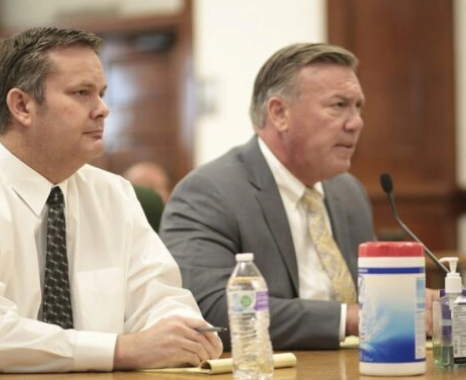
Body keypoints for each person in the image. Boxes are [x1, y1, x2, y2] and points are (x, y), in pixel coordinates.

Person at [0, 27, 221, 378]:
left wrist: (179, 334)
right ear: (22, 106)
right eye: (82, 93)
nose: (103, 109)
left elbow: (160, 297)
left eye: (101, 94)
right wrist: (122, 350)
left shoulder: (114, 196)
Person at [161, 43, 435, 350]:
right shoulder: (210, 192)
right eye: (338, 105)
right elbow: (210, 312)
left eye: (358, 106)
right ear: (279, 113)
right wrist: (350, 318)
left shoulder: (348, 192)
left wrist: (407, 301)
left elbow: (368, 298)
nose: (356, 122)